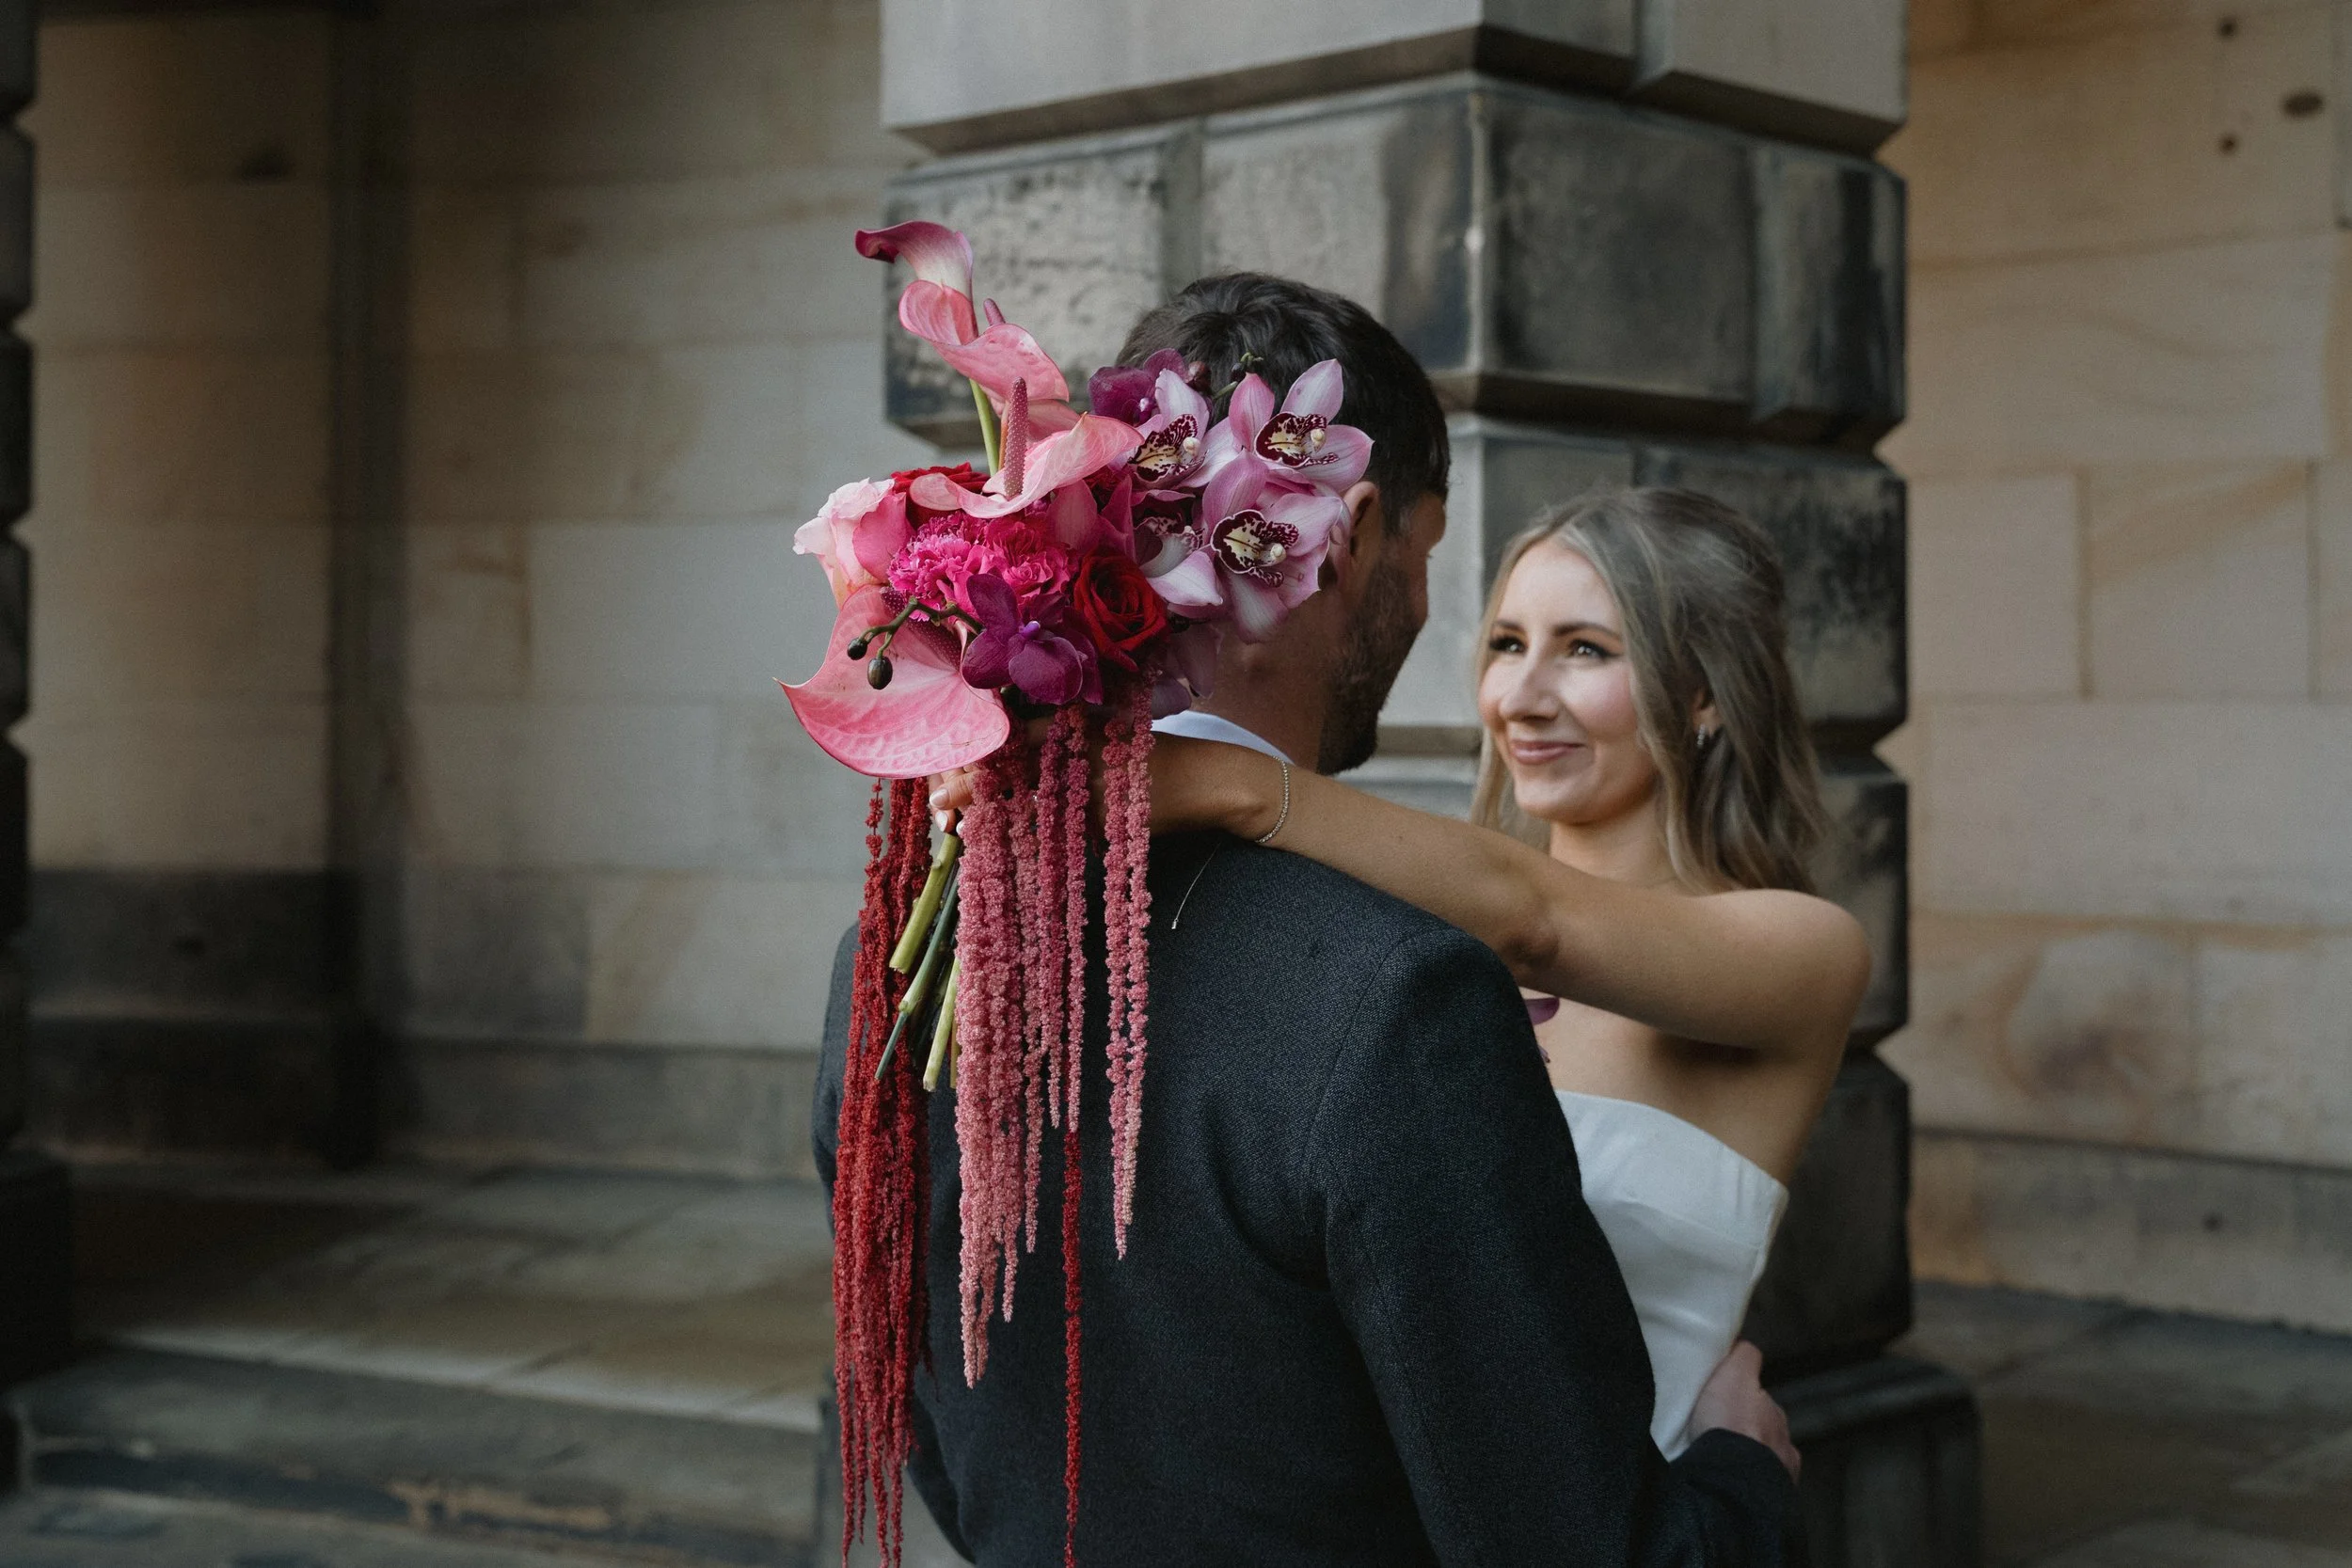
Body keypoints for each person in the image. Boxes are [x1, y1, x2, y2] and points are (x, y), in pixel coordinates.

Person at [816, 275, 1805, 1566]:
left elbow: (926, 1422)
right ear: (1351, 530)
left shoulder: (893, 952)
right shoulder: (1395, 995)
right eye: (1437, 563)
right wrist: (1743, 1473)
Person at [1130, 487, 1874, 1456]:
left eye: (1586, 649)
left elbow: (1538, 920)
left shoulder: (1804, 949)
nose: (1520, 697)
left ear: (1703, 694)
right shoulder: (1416, 930)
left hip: (1626, 1513)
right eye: (1508, 643)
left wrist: (1220, 781)